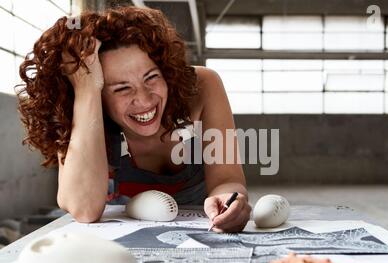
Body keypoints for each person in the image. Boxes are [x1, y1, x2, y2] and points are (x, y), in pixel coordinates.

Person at [16, 6, 251, 232]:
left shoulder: (202, 86)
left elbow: (227, 179)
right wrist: (87, 90)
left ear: (167, 70)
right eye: (121, 88)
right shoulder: (78, 111)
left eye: (151, 77)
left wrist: (230, 198)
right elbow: (84, 209)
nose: (144, 99)